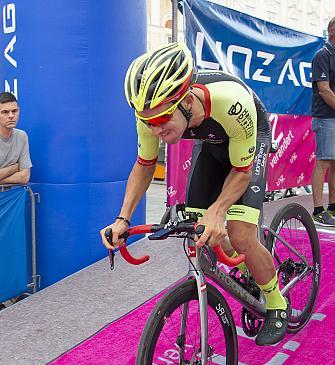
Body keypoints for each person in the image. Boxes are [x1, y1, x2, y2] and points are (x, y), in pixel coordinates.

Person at [100, 43, 289, 346]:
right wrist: (123, 218)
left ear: (187, 101)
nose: (154, 129)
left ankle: (277, 302)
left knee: (240, 235)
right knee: (204, 232)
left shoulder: (230, 102)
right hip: (212, 144)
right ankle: (250, 267)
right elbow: (144, 165)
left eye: (162, 120)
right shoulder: (151, 114)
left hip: (246, 144)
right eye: (148, 122)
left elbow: (241, 171)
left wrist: (218, 211)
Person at [310, 17, 335, 226]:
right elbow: (324, 90)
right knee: (323, 161)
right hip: (326, 117)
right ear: (331, 31)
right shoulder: (322, 55)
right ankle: (318, 210)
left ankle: (332, 208)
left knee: (334, 163)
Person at [0, 92, 32, 187]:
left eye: (14, 111)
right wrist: (14, 168)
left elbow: (25, 177)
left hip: (14, 195)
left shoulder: (21, 136)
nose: (11, 116)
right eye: (5, 112)